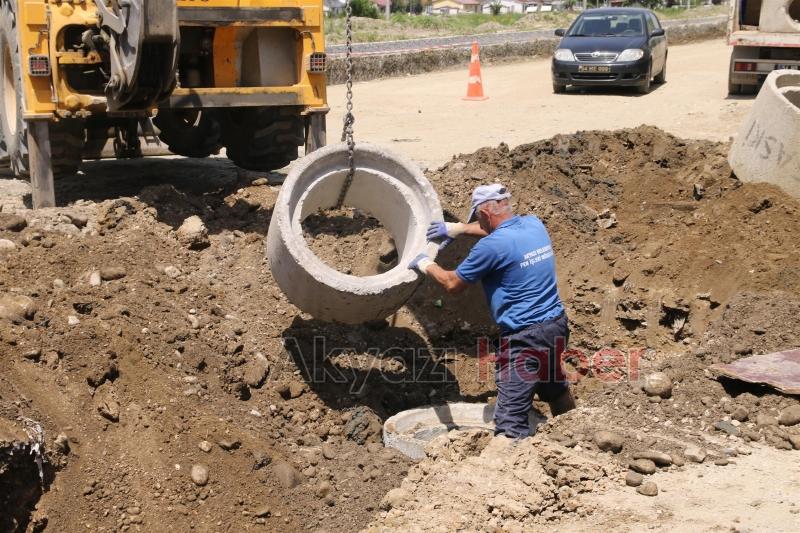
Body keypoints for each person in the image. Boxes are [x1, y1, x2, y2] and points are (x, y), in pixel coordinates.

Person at [409, 183, 575, 439]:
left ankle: (510, 469)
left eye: (476, 218)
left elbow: (452, 284)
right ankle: (573, 437)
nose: (477, 223)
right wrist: (460, 229)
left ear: (484, 214)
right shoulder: (534, 225)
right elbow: (498, 230)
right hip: (555, 326)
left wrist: (425, 263)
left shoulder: (490, 247)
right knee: (554, 389)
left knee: (509, 419)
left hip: (525, 339)